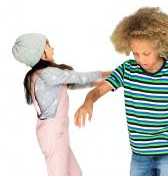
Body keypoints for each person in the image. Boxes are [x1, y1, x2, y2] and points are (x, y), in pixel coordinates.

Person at [74, 7, 168, 176]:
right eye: (135, 54)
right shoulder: (127, 70)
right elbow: (99, 90)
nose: (140, 59)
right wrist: (88, 102)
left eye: (146, 53)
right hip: (140, 155)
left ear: (160, 46)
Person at [12, 33, 108, 176]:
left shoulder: (38, 75)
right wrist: (111, 73)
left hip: (57, 134)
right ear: (41, 54)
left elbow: (74, 83)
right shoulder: (48, 74)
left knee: (75, 173)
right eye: (48, 46)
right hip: (54, 134)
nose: (52, 48)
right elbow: (80, 78)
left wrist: (103, 81)